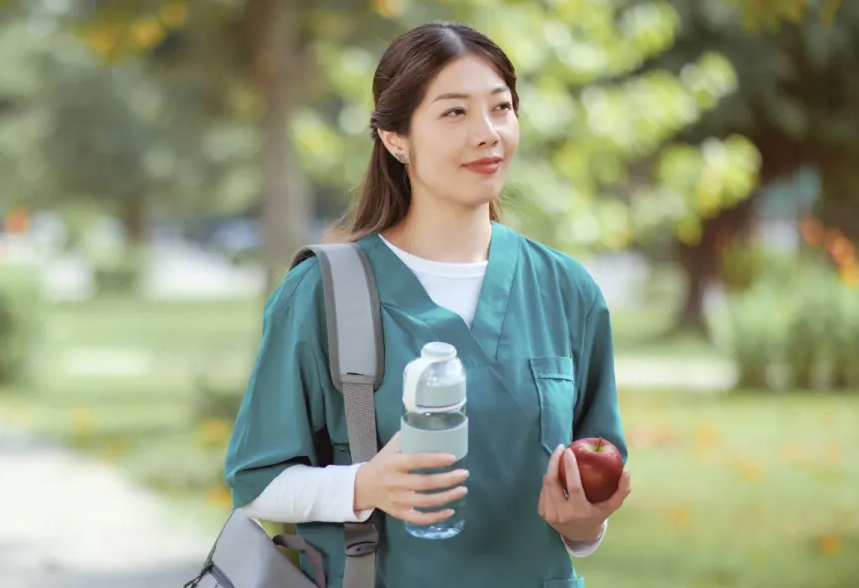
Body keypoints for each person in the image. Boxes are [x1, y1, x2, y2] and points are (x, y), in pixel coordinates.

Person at [223, 20, 631, 588]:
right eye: (455, 113)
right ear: (396, 139)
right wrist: (365, 485)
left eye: (502, 108)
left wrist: (587, 523)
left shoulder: (566, 289)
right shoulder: (324, 291)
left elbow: (588, 487)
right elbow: (255, 480)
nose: (488, 133)